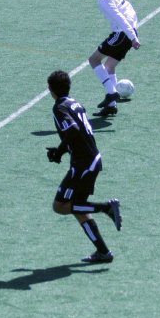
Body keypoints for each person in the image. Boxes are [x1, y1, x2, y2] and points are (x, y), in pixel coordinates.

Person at [46, 70, 121, 264]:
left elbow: (73, 130)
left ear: (51, 90)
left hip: (83, 163)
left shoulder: (60, 107)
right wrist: (62, 152)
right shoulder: (75, 103)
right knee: (77, 207)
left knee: (60, 206)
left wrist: (59, 150)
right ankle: (103, 252)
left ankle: (106, 208)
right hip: (89, 159)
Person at [77, 0, 140, 117]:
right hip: (131, 30)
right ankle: (112, 106)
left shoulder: (103, 0)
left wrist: (133, 38)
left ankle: (112, 93)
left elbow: (119, 18)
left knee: (94, 60)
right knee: (109, 66)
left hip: (122, 33)